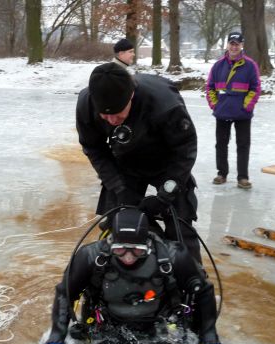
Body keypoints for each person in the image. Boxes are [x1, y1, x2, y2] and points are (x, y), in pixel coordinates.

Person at [36, 208, 232, 344]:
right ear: (111, 242)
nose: (128, 257)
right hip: (106, 326)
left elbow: (204, 291)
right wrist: (56, 339)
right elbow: (65, 293)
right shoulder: (90, 256)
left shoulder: (173, 256)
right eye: (120, 250)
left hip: (160, 327)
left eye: (137, 250)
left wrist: (209, 340)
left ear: (148, 244)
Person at [76, 62, 202, 261]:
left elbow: (185, 150)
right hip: (124, 163)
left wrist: (165, 195)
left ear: (131, 96)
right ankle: (117, 272)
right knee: (119, 223)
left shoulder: (165, 104)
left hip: (168, 162)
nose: (111, 120)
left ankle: (191, 275)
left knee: (180, 227)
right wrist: (117, 185)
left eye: (118, 113)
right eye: (105, 115)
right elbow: (94, 148)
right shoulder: (86, 104)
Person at [206, 31, 261, 189]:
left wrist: (246, 106)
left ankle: (242, 177)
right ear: (227, 45)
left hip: (242, 114)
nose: (234, 47)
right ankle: (222, 173)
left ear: (242, 45)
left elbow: (255, 88)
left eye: (237, 44)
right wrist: (215, 105)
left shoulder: (250, 65)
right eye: (232, 44)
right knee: (221, 144)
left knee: (243, 145)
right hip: (222, 112)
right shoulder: (218, 65)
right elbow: (210, 87)